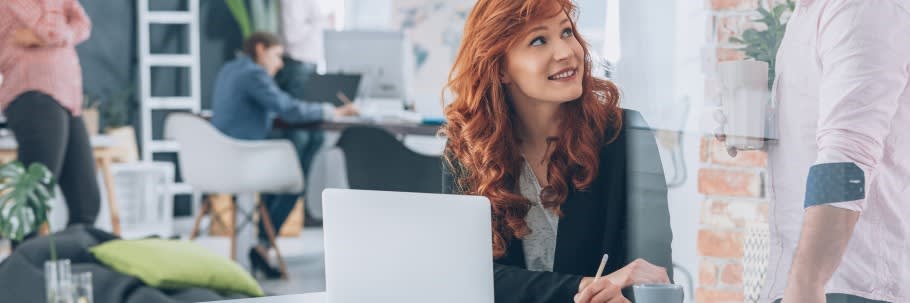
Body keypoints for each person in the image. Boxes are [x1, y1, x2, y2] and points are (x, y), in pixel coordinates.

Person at [442, 1, 673, 302]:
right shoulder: (470, 145)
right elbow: (467, 276)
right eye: (539, 40)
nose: (566, 52)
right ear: (500, 68)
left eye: (566, 32)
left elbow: (654, 278)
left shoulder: (624, 135)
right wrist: (583, 287)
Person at [735, 1, 910, 302]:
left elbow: (846, 160)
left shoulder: (862, 7)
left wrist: (807, 280)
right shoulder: (811, 12)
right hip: (816, 281)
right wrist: (774, 124)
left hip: (849, 284)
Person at [210, 32, 357, 278]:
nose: (279, 65)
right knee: (294, 184)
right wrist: (335, 111)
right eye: (277, 56)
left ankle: (262, 244)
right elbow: (288, 109)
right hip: (242, 162)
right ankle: (263, 244)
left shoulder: (229, 69)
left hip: (218, 160)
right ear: (260, 49)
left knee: (305, 146)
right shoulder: (253, 74)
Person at [0, 0, 101, 246]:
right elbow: (48, 29)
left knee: (86, 202)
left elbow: (83, 24)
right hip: (32, 93)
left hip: (69, 97)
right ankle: (22, 264)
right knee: (33, 197)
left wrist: (53, 36)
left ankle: (73, 262)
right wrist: (61, 31)